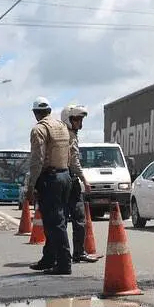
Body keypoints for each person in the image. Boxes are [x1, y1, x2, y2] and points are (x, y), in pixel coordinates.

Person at [25, 96, 73, 275]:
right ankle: (49, 259)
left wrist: (31, 186)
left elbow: (36, 160)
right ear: (50, 111)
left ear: (36, 113)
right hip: (65, 176)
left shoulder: (39, 130)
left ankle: (63, 264)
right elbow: (69, 154)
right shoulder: (62, 126)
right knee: (56, 221)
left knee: (54, 223)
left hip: (50, 178)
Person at [61, 103, 98, 263]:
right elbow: (74, 161)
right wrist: (84, 180)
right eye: (76, 119)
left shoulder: (66, 134)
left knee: (64, 218)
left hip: (63, 180)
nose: (79, 123)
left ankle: (70, 253)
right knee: (77, 217)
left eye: (80, 119)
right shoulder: (70, 136)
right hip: (70, 180)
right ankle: (76, 253)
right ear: (69, 120)